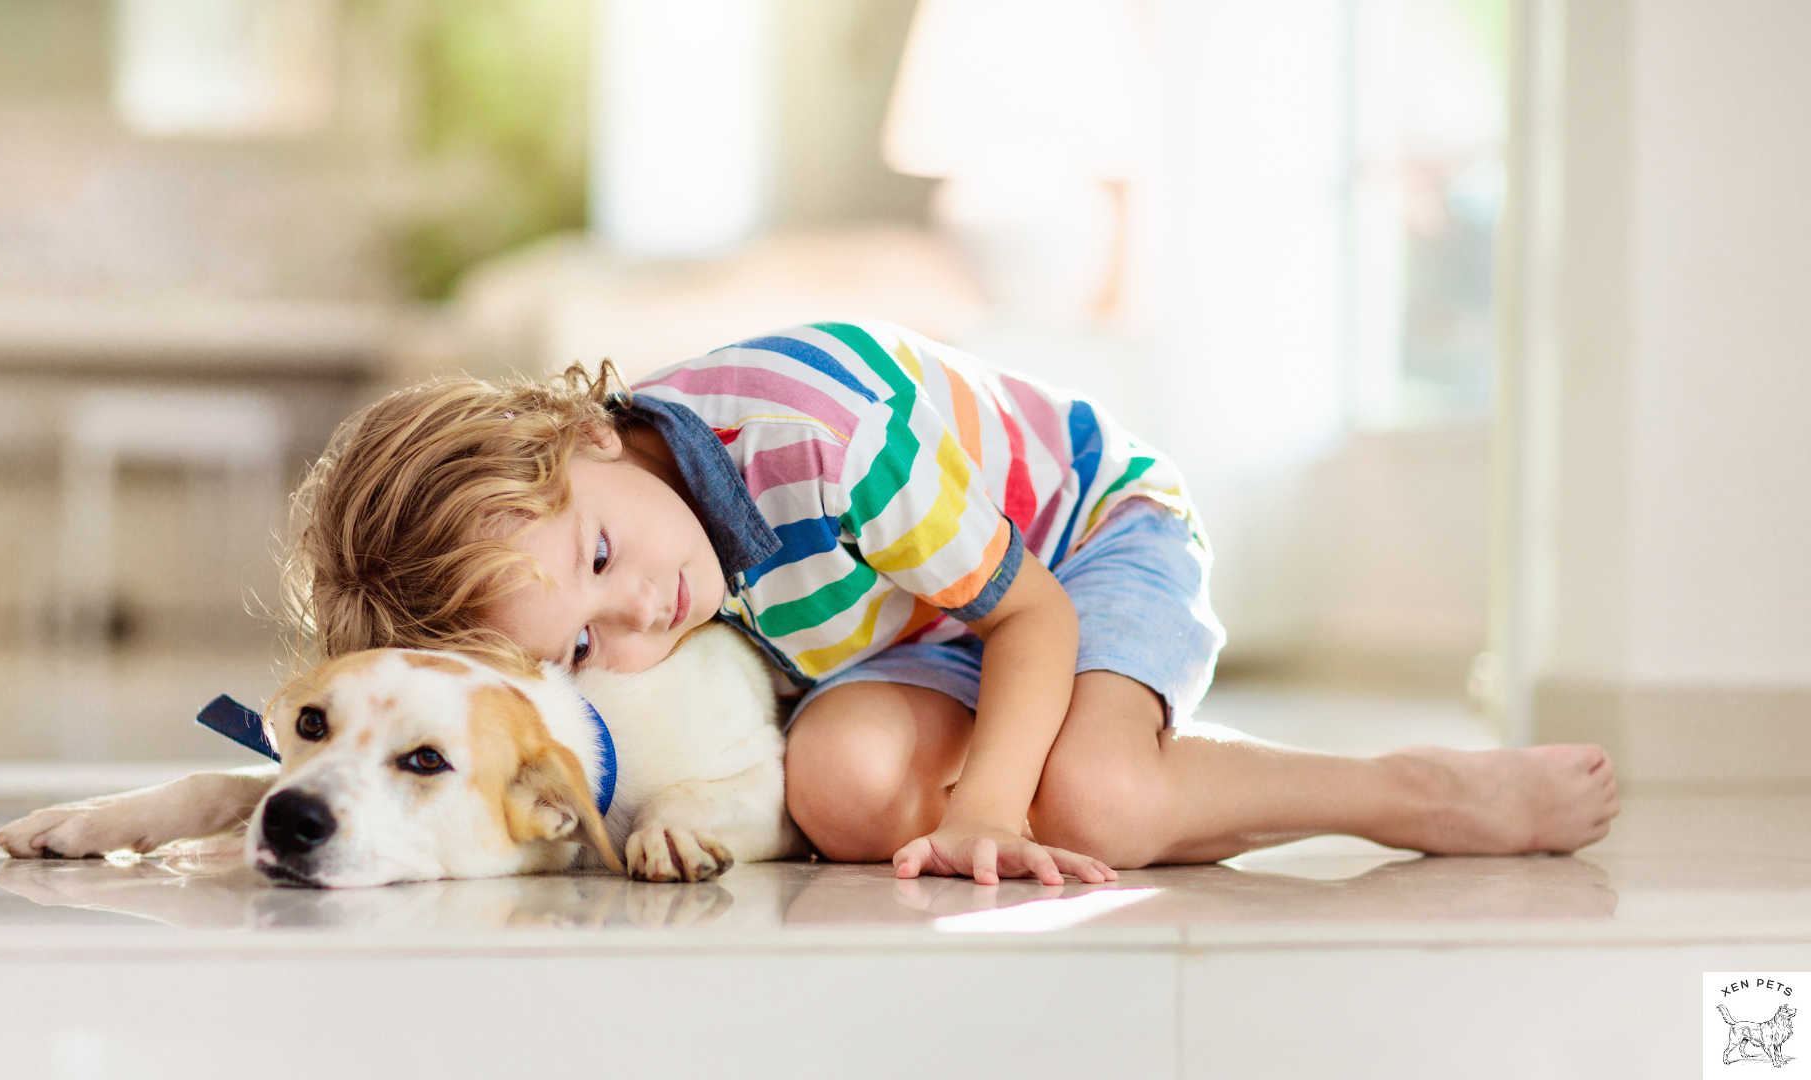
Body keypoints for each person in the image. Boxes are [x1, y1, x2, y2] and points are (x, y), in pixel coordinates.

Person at [287, 320, 1619, 886]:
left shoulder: (824, 443)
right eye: (582, 641)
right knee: (843, 789)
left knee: (1089, 801)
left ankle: (1411, 794)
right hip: (926, 632)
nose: (640, 615)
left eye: (598, 560)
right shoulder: (636, 527)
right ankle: (1097, 774)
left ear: (580, 426)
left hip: (1085, 549)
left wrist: (989, 803)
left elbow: (1031, 617)